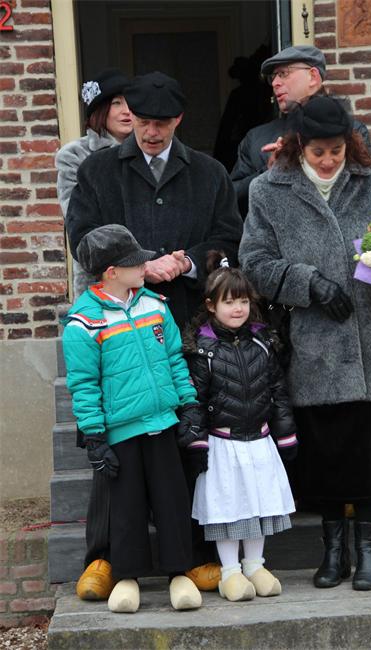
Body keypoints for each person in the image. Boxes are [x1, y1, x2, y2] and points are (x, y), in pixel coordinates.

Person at [65, 71, 243, 597]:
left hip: (186, 321)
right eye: (142, 122)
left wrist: (186, 262)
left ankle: (192, 552)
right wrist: (140, 264)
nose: (150, 132)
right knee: (115, 439)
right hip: (116, 322)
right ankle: (104, 556)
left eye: (161, 124)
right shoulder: (99, 171)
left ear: (178, 120)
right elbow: (82, 237)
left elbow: (229, 237)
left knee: (188, 438)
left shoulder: (209, 173)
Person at [239, 95, 371, 592]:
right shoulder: (269, 189)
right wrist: (308, 283)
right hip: (312, 339)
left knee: (364, 449)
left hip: (363, 335)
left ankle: (368, 551)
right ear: (299, 145)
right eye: (319, 152)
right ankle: (333, 551)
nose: (329, 160)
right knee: (326, 451)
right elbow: (255, 261)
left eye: (337, 150)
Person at [62, 224, 204, 613]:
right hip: (121, 433)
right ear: (111, 272)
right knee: (126, 509)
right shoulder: (84, 323)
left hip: (164, 424)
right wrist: (95, 437)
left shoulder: (155, 305)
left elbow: (174, 358)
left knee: (173, 500)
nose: (145, 266)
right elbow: (84, 384)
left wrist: (189, 404)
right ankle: (127, 576)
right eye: (136, 262)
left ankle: (179, 572)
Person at [179, 252, 297, 602]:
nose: (238, 309)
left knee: (259, 504)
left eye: (243, 301)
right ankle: (230, 571)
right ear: (211, 305)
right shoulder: (203, 350)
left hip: (259, 440)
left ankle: (255, 565)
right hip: (223, 444)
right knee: (228, 507)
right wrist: (195, 441)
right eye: (229, 302)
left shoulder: (263, 342)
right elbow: (193, 400)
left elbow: (278, 391)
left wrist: (286, 434)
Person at [230, 45, 371, 217]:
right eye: (273, 77)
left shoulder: (352, 131)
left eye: (283, 73)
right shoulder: (255, 138)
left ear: (313, 77)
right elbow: (232, 198)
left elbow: (361, 196)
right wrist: (269, 171)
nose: (274, 83)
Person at [56, 68, 132, 298]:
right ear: (100, 110)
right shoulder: (75, 155)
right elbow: (76, 218)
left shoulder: (150, 152)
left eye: (130, 101)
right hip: (99, 274)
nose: (127, 111)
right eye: (116, 103)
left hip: (149, 271)